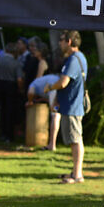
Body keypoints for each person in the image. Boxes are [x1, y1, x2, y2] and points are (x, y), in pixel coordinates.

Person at [44, 30, 87, 184]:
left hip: (72, 106)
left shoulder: (74, 59)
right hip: (71, 105)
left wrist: (49, 88)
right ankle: (75, 172)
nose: (59, 43)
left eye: (61, 40)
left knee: (75, 140)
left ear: (69, 41)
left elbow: (63, 82)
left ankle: (77, 175)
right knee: (74, 139)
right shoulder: (77, 58)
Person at [0, 42, 24, 142]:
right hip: (11, 87)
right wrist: (20, 89)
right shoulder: (16, 63)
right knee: (10, 111)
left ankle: (2, 133)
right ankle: (9, 135)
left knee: (1, 109)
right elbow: (19, 79)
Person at [27, 74, 61, 151]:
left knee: (55, 116)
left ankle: (52, 144)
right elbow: (49, 99)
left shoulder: (33, 84)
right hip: (60, 85)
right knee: (57, 114)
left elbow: (30, 93)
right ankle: (53, 143)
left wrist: (30, 101)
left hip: (54, 88)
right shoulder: (41, 82)